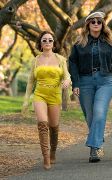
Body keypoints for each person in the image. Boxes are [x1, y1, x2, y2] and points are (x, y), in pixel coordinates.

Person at [68, 11, 112, 163]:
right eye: (93, 22)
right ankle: (98, 142)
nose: (96, 24)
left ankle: (94, 147)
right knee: (91, 117)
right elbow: (72, 63)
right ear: (88, 25)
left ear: (103, 24)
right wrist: (76, 83)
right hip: (85, 82)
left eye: (99, 22)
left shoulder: (110, 43)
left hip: (105, 81)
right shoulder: (79, 44)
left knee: (99, 112)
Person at [22, 31, 71, 170]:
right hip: (40, 95)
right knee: (43, 124)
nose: (47, 42)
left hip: (55, 96)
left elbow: (67, 75)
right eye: (44, 40)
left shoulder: (61, 59)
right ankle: (46, 157)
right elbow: (31, 82)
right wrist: (26, 100)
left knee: (54, 127)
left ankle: (53, 152)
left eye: (50, 40)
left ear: (54, 43)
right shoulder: (36, 60)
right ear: (40, 43)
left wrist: (67, 81)